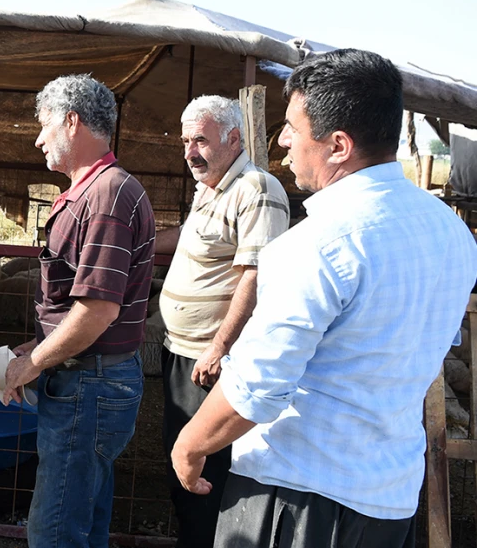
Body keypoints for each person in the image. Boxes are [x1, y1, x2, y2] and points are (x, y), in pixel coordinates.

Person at [171, 49, 477, 548]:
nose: (283, 140)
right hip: (388, 499)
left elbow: (257, 385)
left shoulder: (319, 243)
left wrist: (190, 443)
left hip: (298, 497)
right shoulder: (451, 232)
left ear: (338, 144)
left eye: (292, 126)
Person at [2, 74, 156, 548]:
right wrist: (38, 344)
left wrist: (32, 364)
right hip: (90, 378)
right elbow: (78, 302)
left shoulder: (106, 197)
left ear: (71, 122)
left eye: (45, 125)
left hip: (87, 385)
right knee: (84, 518)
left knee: (54, 530)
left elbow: (96, 312)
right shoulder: (96, 191)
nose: (38, 138)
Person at [155, 96, 289, 547]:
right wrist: (140, 243)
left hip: (211, 363)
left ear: (234, 139)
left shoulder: (257, 189)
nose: (191, 151)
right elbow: (187, 238)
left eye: (201, 141)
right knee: (181, 460)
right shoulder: (210, 187)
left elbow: (255, 277)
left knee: (206, 470)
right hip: (182, 352)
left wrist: (219, 347)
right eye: (186, 141)